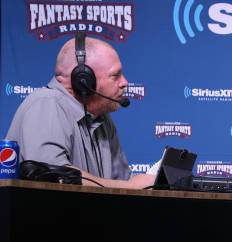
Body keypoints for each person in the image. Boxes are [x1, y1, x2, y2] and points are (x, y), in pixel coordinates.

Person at [5, 35, 155, 188]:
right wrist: (129, 187)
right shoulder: (46, 104)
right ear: (83, 81)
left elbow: (122, 182)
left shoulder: (103, 120)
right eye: (115, 76)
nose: (125, 83)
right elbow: (53, 180)